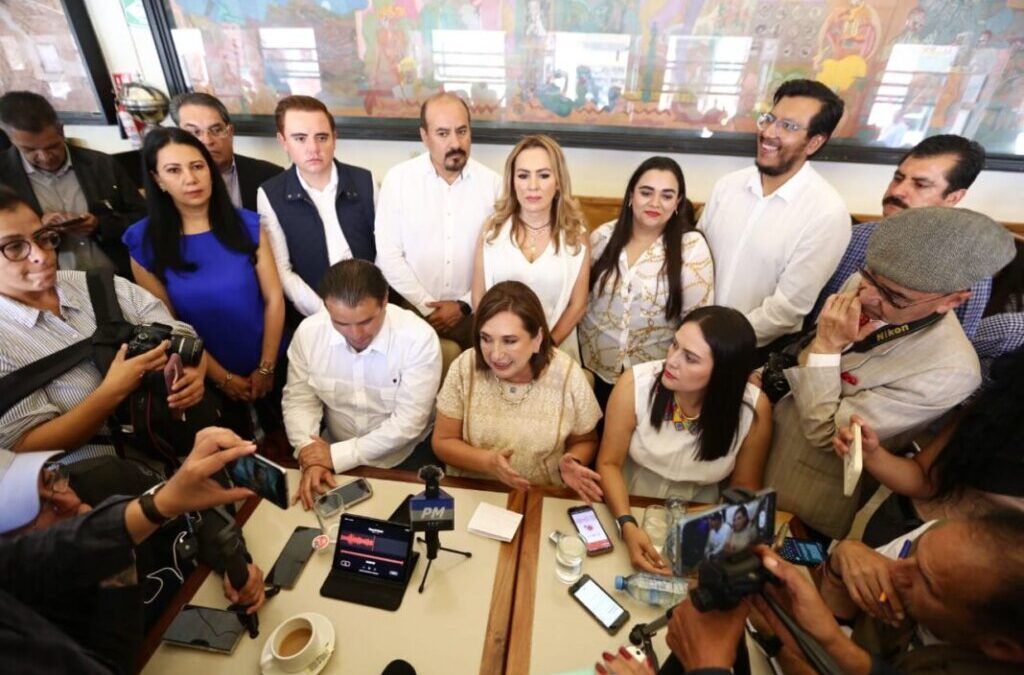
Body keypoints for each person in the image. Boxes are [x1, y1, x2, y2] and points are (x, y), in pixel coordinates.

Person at [763, 206, 1015, 540]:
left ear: (952, 301)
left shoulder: (949, 369)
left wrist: (827, 346)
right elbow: (806, 347)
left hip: (805, 491)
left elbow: (828, 435)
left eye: (895, 297)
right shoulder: (872, 282)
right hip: (759, 440)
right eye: (868, 277)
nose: (867, 297)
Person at [0, 427, 265, 675]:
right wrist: (113, 560)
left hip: (211, 604)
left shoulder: (105, 476)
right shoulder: (30, 613)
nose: (67, 500)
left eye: (50, 480)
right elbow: (115, 662)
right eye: (40, 507)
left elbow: (195, 508)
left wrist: (232, 563)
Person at [650, 512, 1024, 675]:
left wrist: (709, 665)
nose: (896, 571)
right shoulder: (945, 545)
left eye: (925, 581)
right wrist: (824, 636)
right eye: (915, 553)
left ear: (1001, 647)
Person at [0, 187, 206, 465]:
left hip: (176, 454)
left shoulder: (96, 284)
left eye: (41, 237)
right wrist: (113, 390)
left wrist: (193, 372)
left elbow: (181, 334)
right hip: (92, 484)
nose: (40, 254)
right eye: (14, 247)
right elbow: (23, 447)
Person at [122, 127, 285, 437]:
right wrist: (223, 378)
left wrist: (266, 367)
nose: (190, 179)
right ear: (158, 180)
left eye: (197, 166)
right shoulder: (144, 242)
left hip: (270, 363)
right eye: (174, 170)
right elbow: (169, 325)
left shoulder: (248, 224)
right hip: (201, 375)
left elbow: (273, 299)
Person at [596, 306, 771, 573]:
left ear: (723, 371)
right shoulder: (635, 384)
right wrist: (627, 524)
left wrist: (712, 543)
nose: (672, 361)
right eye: (674, 345)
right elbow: (608, 463)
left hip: (701, 521)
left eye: (690, 358)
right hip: (626, 506)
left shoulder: (753, 408)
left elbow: (744, 489)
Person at [697, 78, 850, 349]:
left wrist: (718, 344)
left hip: (752, 352)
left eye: (788, 126)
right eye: (769, 119)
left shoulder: (828, 213)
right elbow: (695, 262)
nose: (768, 132)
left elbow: (786, 310)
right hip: (693, 340)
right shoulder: (727, 186)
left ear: (814, 142)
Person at [284, 260, 442, 510]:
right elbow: (299, 400)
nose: (355, 334)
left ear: (385, 300)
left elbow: (409, 422)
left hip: (404, 456)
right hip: (329, 452)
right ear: (326, 307)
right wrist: (310, 453)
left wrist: (334, 456)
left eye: (366, 321)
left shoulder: (418, 338)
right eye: (342, 323)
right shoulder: (309, 333)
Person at [833, 345, 1024, 547]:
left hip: (948, 559)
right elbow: (924, 478)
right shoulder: (1002, 408)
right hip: (898, 525)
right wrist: (870, 453)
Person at [434, 281, 602, 499]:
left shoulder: (567, 374)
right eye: (486, 339)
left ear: (537, 339)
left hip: (540, 494)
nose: (495, 354)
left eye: (509, 341)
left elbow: (585, 441)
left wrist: (572, 463)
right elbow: (443, 441)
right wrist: (488, 462)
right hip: (474, 491)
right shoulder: (464, 367)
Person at [808, 134, 989, 337]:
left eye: (920, 185)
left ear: (953, 198)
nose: (898, 191)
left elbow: (952, 343)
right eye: (898, 178)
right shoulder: (854, 237)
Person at [580, 156, 714, 409]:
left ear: (678, 202)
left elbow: (697, 321)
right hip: (593, 369)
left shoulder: (691, 248)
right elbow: (581, 300)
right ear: (631, 195)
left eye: (667, 195)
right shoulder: (602, 237)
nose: (655, 203)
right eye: (646, 192)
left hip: (654, 376)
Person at [375, 93, 502, 355]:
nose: (455, 143)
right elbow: (388, 255)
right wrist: (426, 306)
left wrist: (464, 305)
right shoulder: (398, 180)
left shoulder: (494, 185)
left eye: (462, 131)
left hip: (476, 313)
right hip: (412, 312)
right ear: (424, 136)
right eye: (443, 133)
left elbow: (502, 258)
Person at [0, 91, 146, 279]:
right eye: (29, 150)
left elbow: (143, 216)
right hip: (46, 282)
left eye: (52, 146)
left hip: (119, 276)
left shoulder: (101, 164)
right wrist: (38, 230)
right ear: (11, 139)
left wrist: (99, 225)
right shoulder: (4, 177)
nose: (44, 157)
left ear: (61, 130)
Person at [471, 135, 590, 361]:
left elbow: (578, 305)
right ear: (512, 181)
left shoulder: (576, 235)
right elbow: (479, 297)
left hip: (555, 351)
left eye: (543, 175)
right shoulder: (492, 230)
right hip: (499, 354)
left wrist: (544, 350)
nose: (532, 186)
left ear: (558, 181)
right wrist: (498, 347)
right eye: (523, 175)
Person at [258, 95, 376, 319]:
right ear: (283, 141)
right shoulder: (269, 193)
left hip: (374, 305)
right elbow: (281, 269)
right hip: (316, 313)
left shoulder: (365, 180)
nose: (313, 148)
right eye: (300, 138)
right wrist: (326, 313)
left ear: (334, 138)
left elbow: (386, 250)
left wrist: (372, 302)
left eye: (322, 137)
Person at [170, 91, 282, 211]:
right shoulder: (169, 186)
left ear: (230, 132)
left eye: (216, 130)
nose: (207, 141)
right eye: (194, 132)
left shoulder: (272, 176)